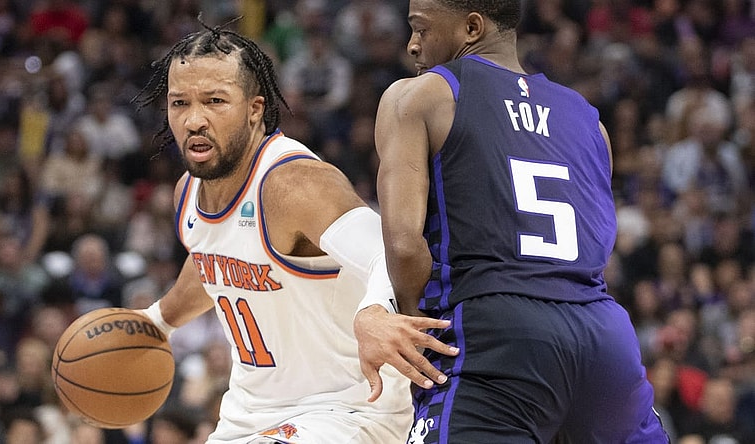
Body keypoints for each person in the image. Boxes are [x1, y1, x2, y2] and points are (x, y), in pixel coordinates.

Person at [354, 1, 671, 442]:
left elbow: (405, 245)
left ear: (471, 28)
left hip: (496, 333)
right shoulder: (589, 120)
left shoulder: (420, 96)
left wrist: (418, 331)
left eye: (421, 30)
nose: (412, 45)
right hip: (603, 335)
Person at [133, 21, 421, 443]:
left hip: (348, 411)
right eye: (180, 103)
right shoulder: (188, 194)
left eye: (215, 101)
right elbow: (215, 264)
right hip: (247, 418)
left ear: (254, 109)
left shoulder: (293, 184)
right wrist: (157, 321)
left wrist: (376, 309)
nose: (194, 120)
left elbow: (388, 250)